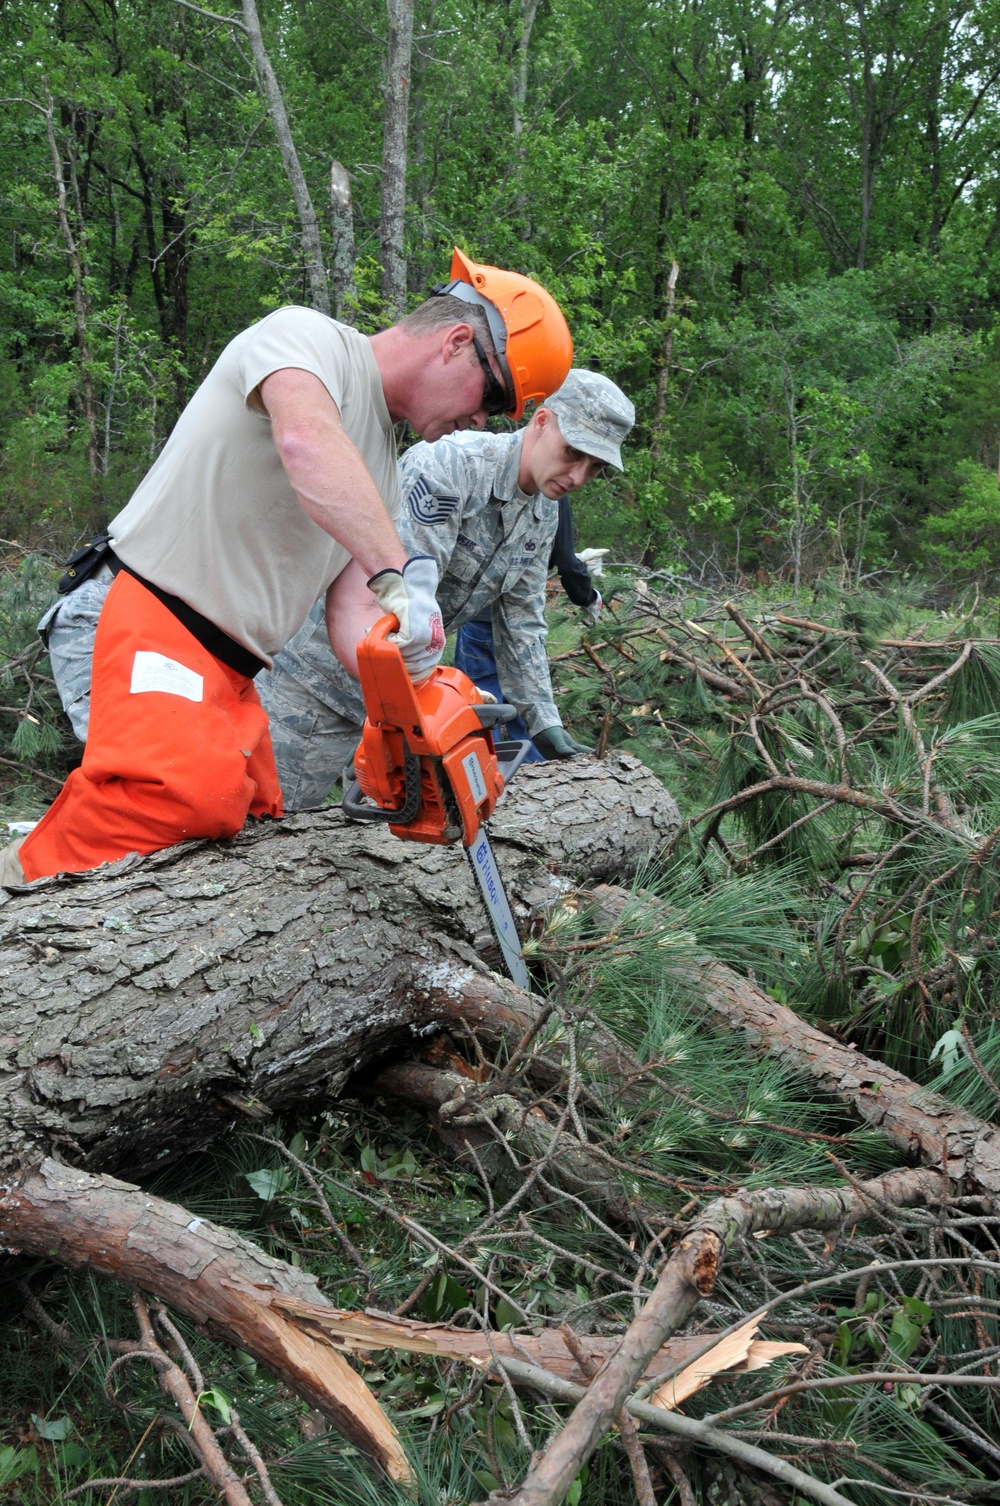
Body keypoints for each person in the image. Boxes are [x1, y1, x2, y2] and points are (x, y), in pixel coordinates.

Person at [7, 248, 573, 885]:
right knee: (171, 805)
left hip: (234, 671)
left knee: (250, 834)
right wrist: (400, 575)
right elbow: (305, 443)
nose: (481, 420)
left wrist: (413, 691)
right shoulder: (308, 340)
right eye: (494, 397)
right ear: (456, 341)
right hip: (149, 616)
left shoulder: (382, 471)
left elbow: (355, 610)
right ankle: (22, 916)